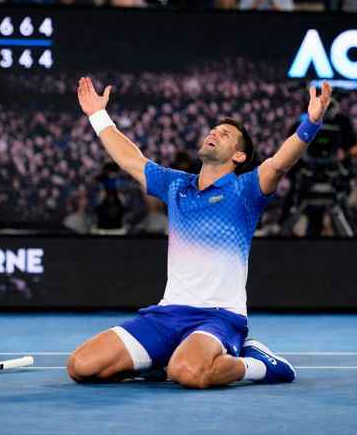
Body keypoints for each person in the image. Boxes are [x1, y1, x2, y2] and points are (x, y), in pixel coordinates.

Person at [67, 76, 333, 388]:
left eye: (225, 135)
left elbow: (279, 164)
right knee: (81, 366)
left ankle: (258, 364)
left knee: (188, 373)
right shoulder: (176, 184)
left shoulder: (245, 189)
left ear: (239, 157)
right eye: (214, 130)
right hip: (166, 316)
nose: (214, 134)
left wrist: (311, 124)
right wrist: (98, 115)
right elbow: (130, 159)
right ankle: (164, 357)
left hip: (218, 318)